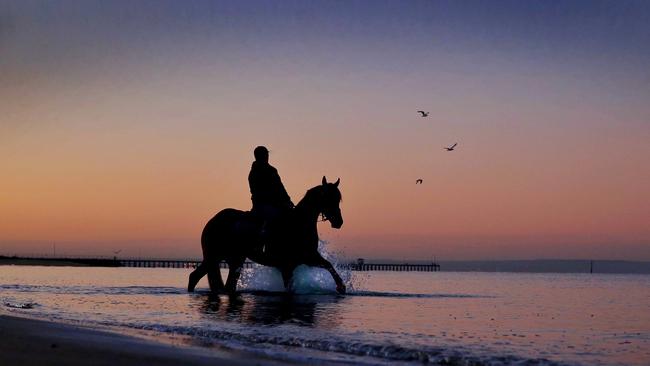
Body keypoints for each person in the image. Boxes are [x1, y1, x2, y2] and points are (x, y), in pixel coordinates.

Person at [248, 146, 294, 253]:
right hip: (262, 205)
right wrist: (275, 200)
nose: (267, 156)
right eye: (265, 154)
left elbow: (280, 187)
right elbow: (256, 191)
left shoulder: (272, 170)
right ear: (260, 156)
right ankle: (261, 245)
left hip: (275, 204)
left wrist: (287, 200)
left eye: (267, 154)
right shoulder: (254, 172)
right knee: (273, 218)